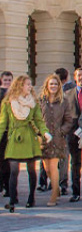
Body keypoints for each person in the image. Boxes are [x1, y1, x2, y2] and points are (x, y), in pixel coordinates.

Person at [0, 75, 52, 212]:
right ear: (20, 86)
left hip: (29, 138)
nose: (30, 87)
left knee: (31, 170)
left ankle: (31, 198)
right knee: (14, 170)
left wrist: (45, 132)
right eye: (27, 84)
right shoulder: (8, 102)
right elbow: (2, 123)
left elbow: (39, 120)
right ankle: (12, 199)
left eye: (30, 84)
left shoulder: (33, 102)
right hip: (15, 138)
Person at [39, 75, 75, 207]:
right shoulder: (41, 101)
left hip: (58, 139)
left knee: (53, 167)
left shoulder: (63, 101)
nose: (53, 86)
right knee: (47, 168)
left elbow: (68, 120)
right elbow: (36, 119)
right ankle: (56, 188)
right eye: (51, 84)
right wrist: (39, 132)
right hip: (44, 139)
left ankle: (54, 195)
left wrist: (61, 131)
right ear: (47, 86)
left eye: (55, 84)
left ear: (59, 86)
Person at [63, 68, 82, 201]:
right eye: (79, 75)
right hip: (73, 132)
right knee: (75, 162)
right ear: (74, 77)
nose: (81, 78)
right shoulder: (67, 94)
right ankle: (76, 192)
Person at [0, 71, 12, 197]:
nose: (7, 83)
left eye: (9, 80)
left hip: (11, 132)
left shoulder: (14, 94)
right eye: (5, 80)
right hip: (1, 131)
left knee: (8, 161)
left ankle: (8, 187)